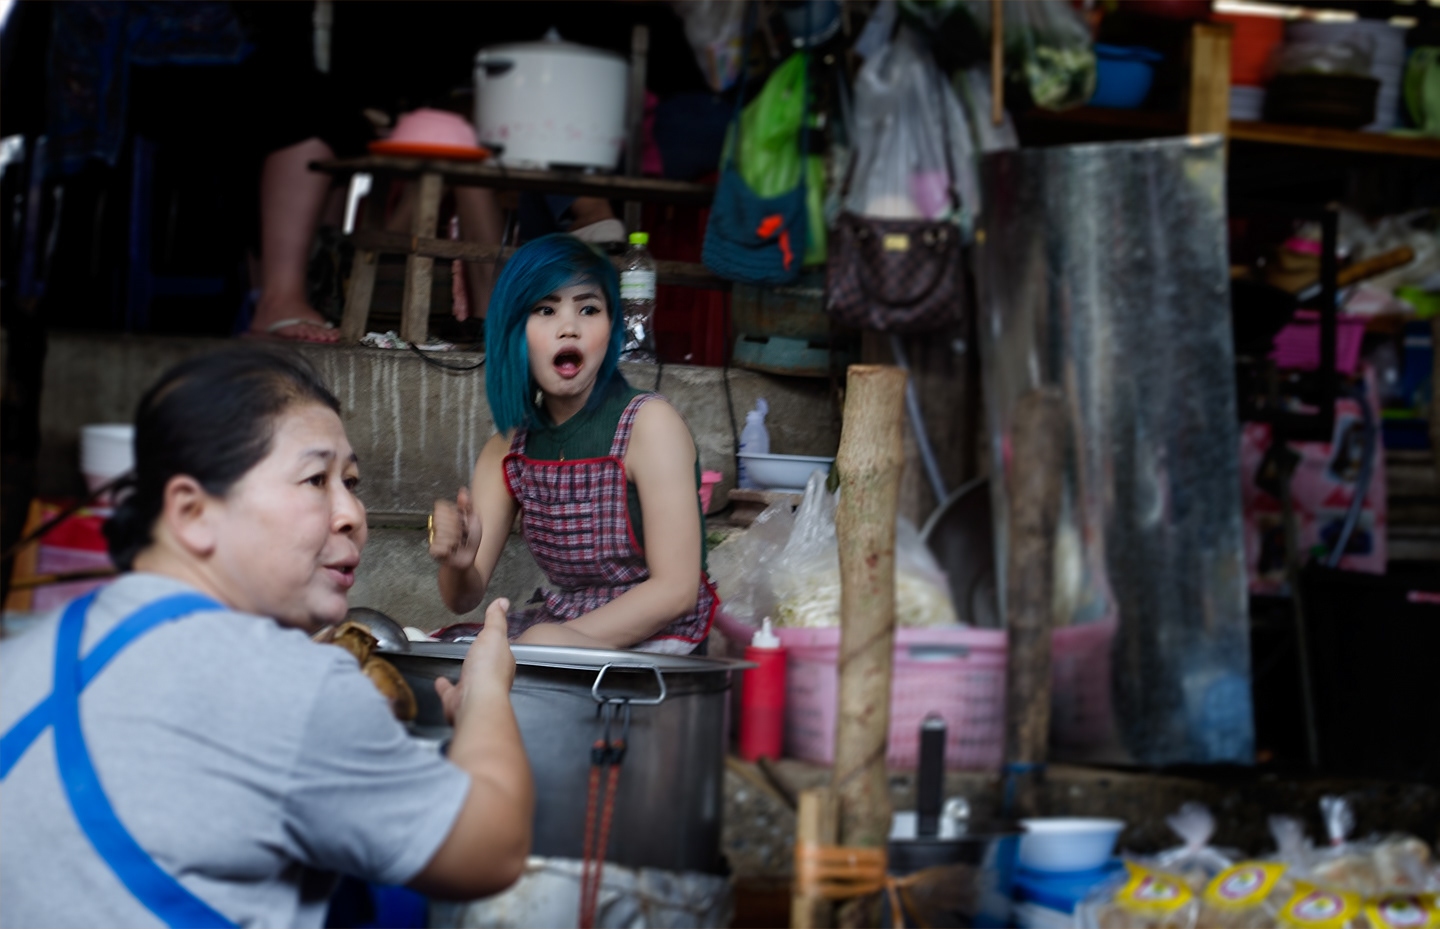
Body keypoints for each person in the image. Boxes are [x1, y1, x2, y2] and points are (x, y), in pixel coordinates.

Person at [0, 348, 533, 927]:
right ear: (192, 512)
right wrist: (484, 695)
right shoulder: (292, 688)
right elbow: (492, 850)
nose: (353, 514)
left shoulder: (23, 655)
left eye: (351, 482)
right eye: (316, 479)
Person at [429, 234, 717, 654]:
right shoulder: (506, 450)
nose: (570, 327)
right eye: (546, 310)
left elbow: (676, 591)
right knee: (443, 647)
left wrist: (558, 641)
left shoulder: (650, 424)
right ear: (514, 331)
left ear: (611, 327)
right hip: (564, 627)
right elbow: (463, 597)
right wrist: (457, 561)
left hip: (659, 637)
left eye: (589, 309)